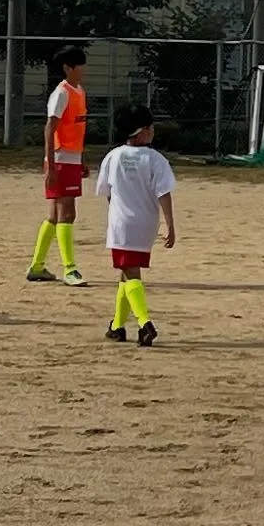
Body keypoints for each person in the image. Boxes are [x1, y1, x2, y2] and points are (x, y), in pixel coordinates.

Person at [96, 104, 177, 347]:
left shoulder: (113, 156)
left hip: (122, 224)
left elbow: (107, 192)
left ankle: (144, 323)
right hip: (146, 224)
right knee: (127, 272)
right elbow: (164, 193)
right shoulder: (156, 160)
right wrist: (169, 224)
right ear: (141, 131)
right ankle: (117, 326)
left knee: (130, 273)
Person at [26, 45, 89, 287]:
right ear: (67, 68)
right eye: (79, 65)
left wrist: (82, 158)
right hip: (61, 160)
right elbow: (50, 128)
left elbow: (77, 128)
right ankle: (70, 269)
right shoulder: (61, 93)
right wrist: (51, 165)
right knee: (67, 214)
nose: (83, 70)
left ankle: (37, 266)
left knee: (54, 216)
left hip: (71, 159)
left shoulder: (79, 91)